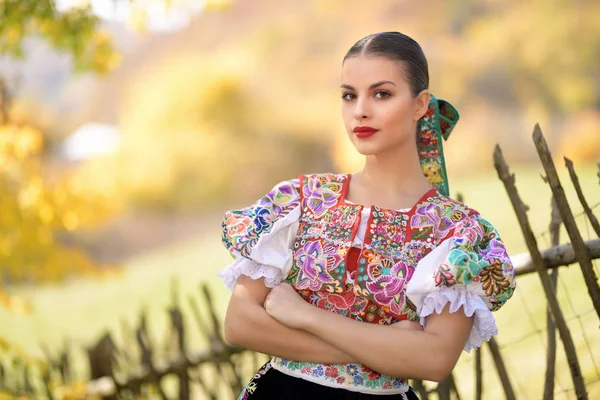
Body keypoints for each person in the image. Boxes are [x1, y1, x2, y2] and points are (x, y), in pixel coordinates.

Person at [218, 31, 516, 399]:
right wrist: (389, 347)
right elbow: (240, 324)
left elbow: (434, 360)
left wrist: (306, 317)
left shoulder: (455, 231)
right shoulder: (300, 200)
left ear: (420, 104)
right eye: (349, 95)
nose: (360, 109)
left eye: (382, 94)